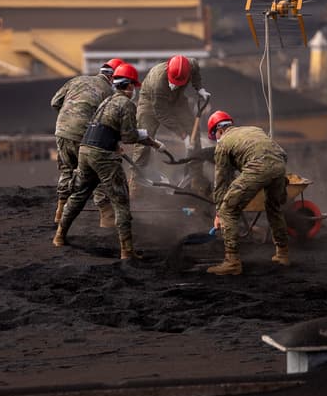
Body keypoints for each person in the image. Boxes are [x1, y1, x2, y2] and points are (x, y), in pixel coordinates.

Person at [54, 63, 162, 260]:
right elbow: (128, 137)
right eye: (133, 87)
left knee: (79, 194)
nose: (134, 91)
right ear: (128, 86)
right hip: (103, 156)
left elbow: (102, 127)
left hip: (86, 150)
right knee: (121, 202)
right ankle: (127, 251)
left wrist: (142, 142)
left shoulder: (106, 101)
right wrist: (145, 136)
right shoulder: (126, 104)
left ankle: (59, 236)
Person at [204, 110, 290, 276]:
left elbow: (221, 181)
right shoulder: (254, 130)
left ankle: (232, 263)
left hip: (257, 168)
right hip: (279, 166)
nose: (216, 140)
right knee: (273, 207)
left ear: (219, 131)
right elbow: (282, 154)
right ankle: (283, 254)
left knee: (228, 210)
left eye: (215, 136)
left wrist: (218, 213)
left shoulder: (223, 143)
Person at [50, 58, 124, 226]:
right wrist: (115, 145)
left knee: (66, 170)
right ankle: (106, 217)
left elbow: (55, 102)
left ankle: (60, 212)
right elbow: (109, 123)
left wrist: (69, 118)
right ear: (113, 78)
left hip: (62, 131)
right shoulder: (110, 93)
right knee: (97, 172)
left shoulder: (77, 80)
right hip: (86, 135)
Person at [131, 54, 210, 170]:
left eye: (179, 82)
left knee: (193, 131)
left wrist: (199, 88)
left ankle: (195, 176)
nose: (175, 85)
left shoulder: (191, 64)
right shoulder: (158, 82)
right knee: (144, 139)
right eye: (174, 81)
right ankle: (139, 177)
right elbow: (162, 114)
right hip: (150, 102)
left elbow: (196, 73)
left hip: (177, 100)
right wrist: (183, 136)